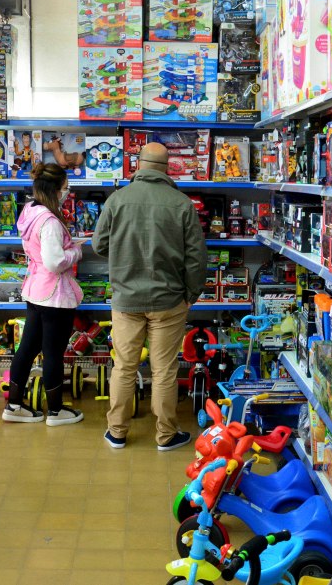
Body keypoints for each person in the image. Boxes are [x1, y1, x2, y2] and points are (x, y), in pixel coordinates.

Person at [93, 142, 207, 451]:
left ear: (138, 165)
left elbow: (99, 245)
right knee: (164, 370)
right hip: (169, 301)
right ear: (166, 168)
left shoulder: (117, 200)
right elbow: (196, 259)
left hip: (126, 300)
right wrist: (191, 294)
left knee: (124, 367)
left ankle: (117, 432)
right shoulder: (182, 204)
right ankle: (166, 435)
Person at [2, 163, 85, 426]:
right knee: (53, 354)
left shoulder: (30, 211)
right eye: (65, 188)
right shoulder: (49, 221)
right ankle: (56, 411)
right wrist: (76, 251)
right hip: (54, 295)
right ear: (55, 189)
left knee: (27, 349)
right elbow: (55, 262)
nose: (66, 192)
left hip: (36, 290)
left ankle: (14, 406)